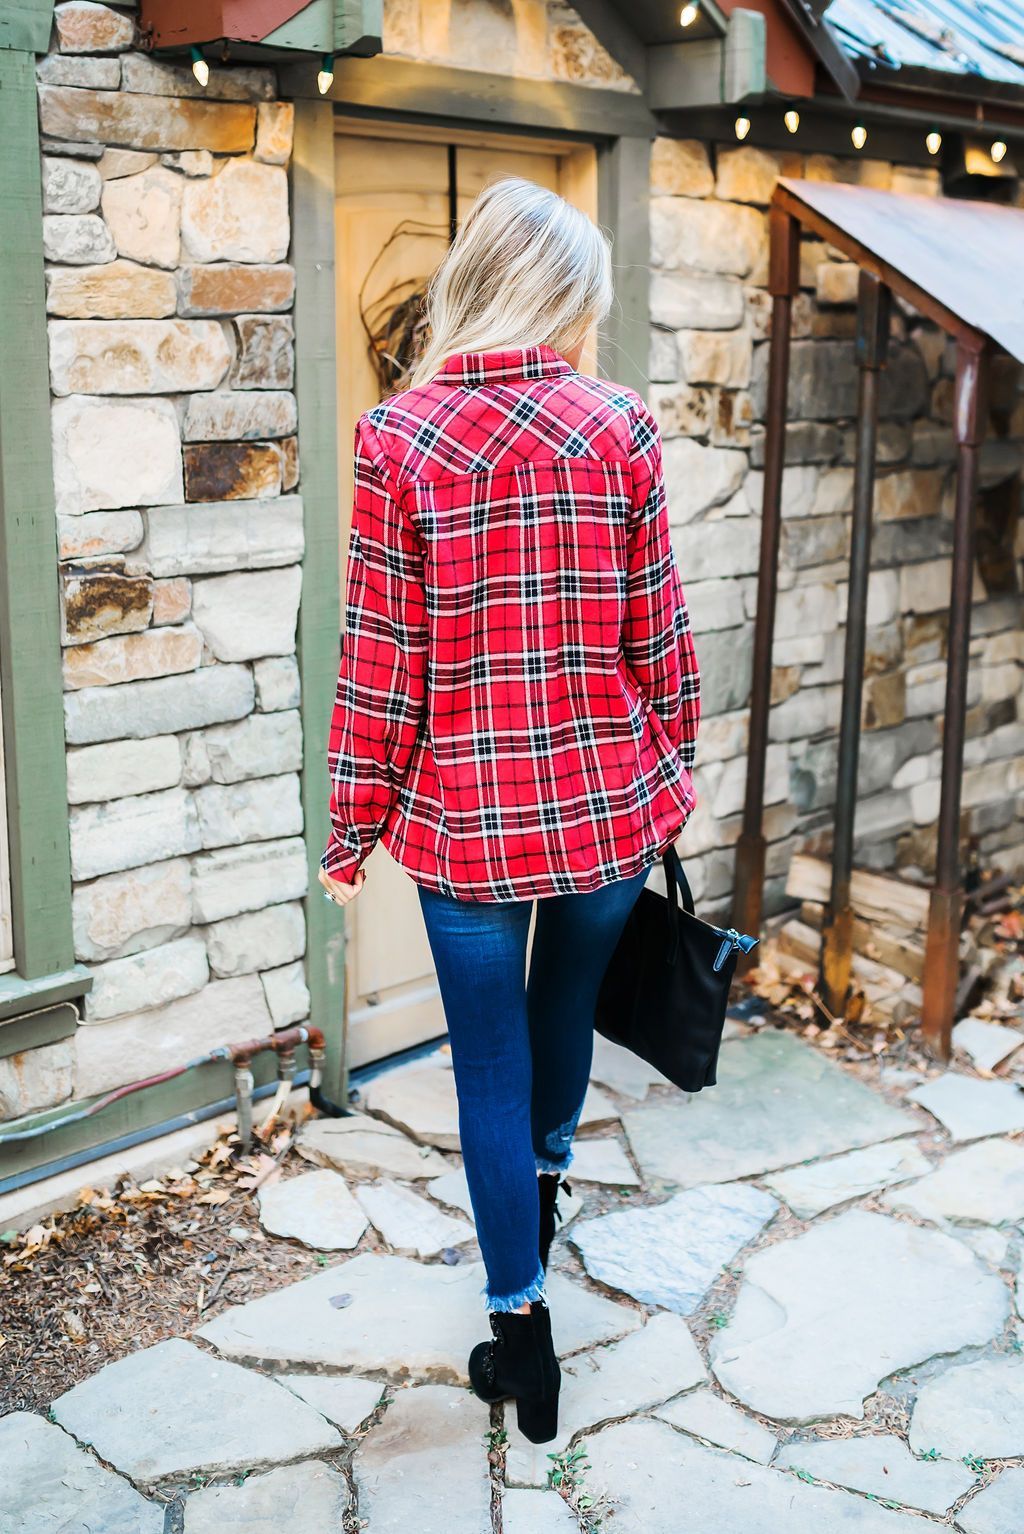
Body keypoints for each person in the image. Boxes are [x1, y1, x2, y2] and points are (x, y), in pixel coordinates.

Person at [318, 175, 700, 1444]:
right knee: (562, 1019)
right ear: (563, 295)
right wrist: (676, 761)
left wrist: (351, 826)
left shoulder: (396, 439)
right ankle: (535, 1202)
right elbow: (659, 629)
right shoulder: (619, 424)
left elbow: (381, 660)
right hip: (601, 809)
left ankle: (522, 1336)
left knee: (486, 1067)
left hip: (465, 821)